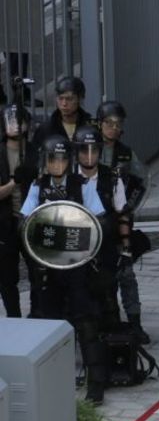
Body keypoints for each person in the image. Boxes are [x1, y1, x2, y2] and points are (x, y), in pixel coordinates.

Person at [20, 135, 108, 403]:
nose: (57, 165)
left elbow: (99, 221)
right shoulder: (38, 186)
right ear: (45, 162)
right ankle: (51, 385)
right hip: (48, 267)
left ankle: (96, 386)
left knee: (86, 323)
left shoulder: (81, 186)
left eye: (61, 159)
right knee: (49, 325)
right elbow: (25, 222)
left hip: (77, 265)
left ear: (69, 161)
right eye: (52, 160)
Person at [72, 125, 131, 341]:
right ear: (76, 152)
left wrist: (125, 248)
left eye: (93, 150)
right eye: (83, 150)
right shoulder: (69, 177)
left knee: (107, 293)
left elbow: (122, 212)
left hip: (105, 246)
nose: (88, 156)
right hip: (76, 247)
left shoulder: (112, 177)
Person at [96, 100, 148, 340]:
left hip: (120, 222)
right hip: (95, 222)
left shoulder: (127, 153)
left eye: (118, 124)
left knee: (125, 273)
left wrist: (129, 206)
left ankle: (135, 322)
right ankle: (108, 318)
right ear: (100, 124)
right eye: (109, 123)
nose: (113, 128)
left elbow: (141, 181)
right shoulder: (89, 149)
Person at [0, 104, 36, 317]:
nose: (14, 125)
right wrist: (14, 183)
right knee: (6, 277)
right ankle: (14, 317)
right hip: (5, 222)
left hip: (32, 219)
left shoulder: (34, 151)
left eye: (19, 120)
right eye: (10, 120)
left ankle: (37, 315)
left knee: (37, 272)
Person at [30, 76, 94, 148]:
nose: (64, 104)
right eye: (60, 98)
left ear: (80, 99)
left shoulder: (91, 126)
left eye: (69, 99)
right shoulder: (45, 129)